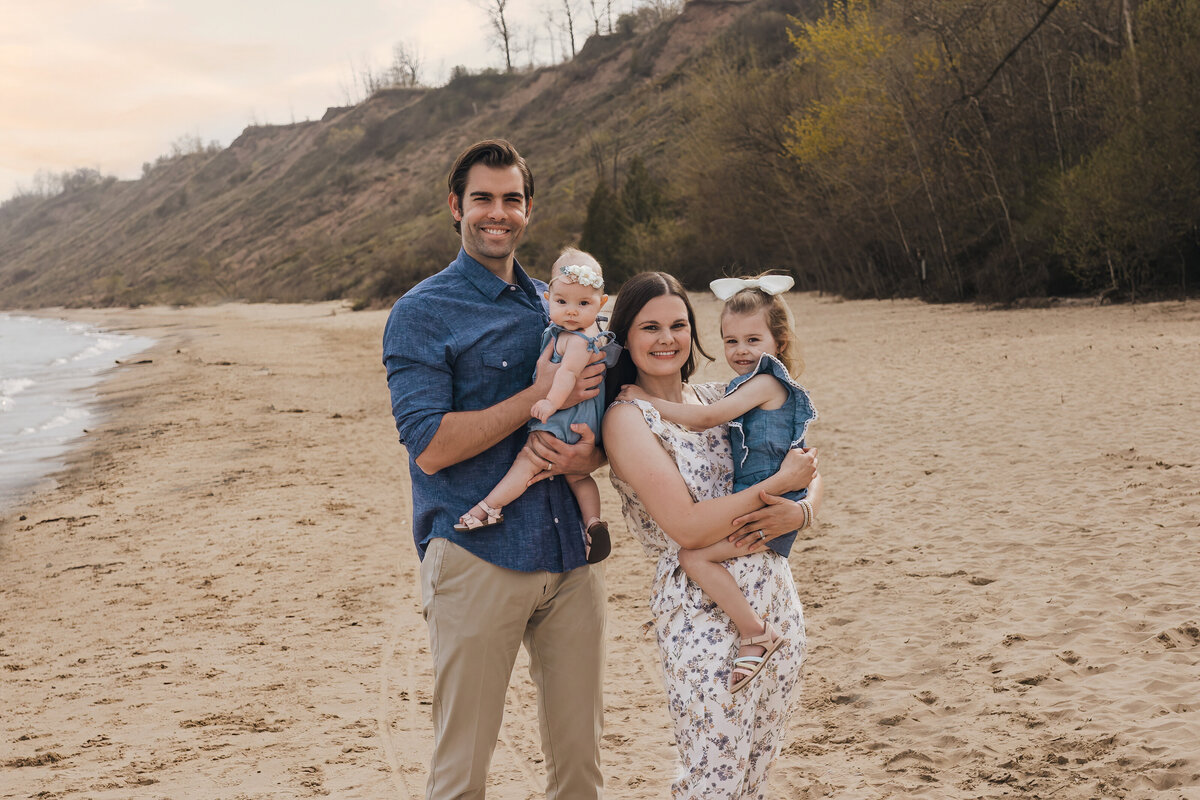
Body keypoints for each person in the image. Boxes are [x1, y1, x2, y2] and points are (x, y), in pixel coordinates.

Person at [382, 139, 607, 800]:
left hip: (570, 559)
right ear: (456, 207)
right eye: (483, 198)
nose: (497, 212)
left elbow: (595, 424)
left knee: (581, 772)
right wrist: (532, 396)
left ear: (528, 210)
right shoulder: (421, 313)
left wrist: (585, 455)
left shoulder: (558, 303)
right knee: (463, 776)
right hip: (477, 557)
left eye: (511, 199)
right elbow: (428, 445)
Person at [601, 271, 822, 799]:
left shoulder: (721, 395)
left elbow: (804, 459)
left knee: (752, 778)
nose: (666, 338)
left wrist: (803, 512)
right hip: (699, 609)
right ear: (625, 338)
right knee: (711, 780)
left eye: (678, 324)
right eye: (649, 326)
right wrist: (777, 488)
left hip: (773, 597)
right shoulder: (627, 419)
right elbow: (688, 527)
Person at [455, 248, 615, 564]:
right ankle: (593, 523)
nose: (571, 311)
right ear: (548, 298)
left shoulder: (575, 339)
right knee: (580, 477)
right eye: (562, 302)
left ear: (601, 303)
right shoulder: (596, 332)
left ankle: (489, 507)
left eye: (583, 304)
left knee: (529, 459)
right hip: (586, 423)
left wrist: (547, 401)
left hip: (564, 416)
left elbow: (567, 373)